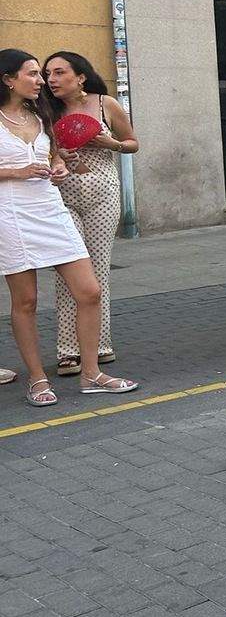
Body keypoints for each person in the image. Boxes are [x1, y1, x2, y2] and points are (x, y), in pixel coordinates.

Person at [0, 50, 139, 405]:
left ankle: (92, 373)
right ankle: (37, 378)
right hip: (11, 212)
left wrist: (59, 164)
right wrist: (15, 172)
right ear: (8, 80)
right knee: (26, 301)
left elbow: (54, 154)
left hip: (49, 206)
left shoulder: (41, 113)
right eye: (33, 74)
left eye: (43, 74)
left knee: (88, 290)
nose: (42, 81)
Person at [42, 51, 138, 377]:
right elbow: (40, 150)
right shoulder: (45, 109)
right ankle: (68, 350)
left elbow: (132, 143)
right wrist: (57, 153)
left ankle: (98, 345)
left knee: (98, 271)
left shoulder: (105, 104)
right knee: (67, 270)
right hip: (62, 194)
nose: (51, 79)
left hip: (104, 193)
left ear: (80, 76)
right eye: (47, 73)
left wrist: (110, 143)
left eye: (59, 72)